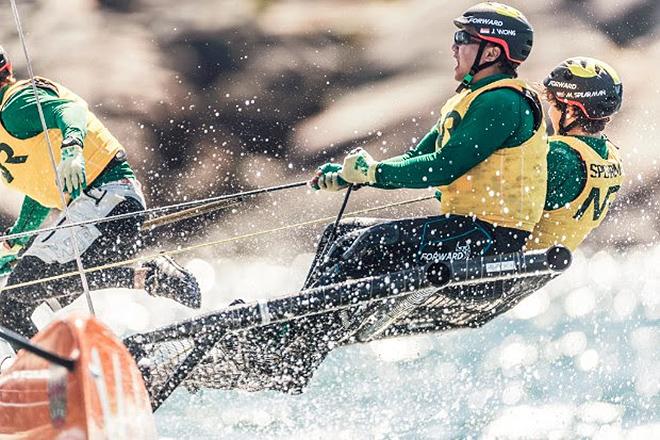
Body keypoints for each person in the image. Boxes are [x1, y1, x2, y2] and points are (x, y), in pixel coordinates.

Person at [306, 2, 548, 289]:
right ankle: (298, 313)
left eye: (463, 39)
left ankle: (300, 325)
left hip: (492, 241)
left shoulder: (502, 102)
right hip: (467, 230)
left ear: (492, 52)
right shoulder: (473, 99)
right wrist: (352, 176)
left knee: (372, 242)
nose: (454, 48)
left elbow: (443, 167)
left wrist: (372, 172)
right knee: (340, 232)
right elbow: (415, 158)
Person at [0, 46, 201, 340]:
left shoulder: (14, 105)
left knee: (19, 288)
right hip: (95, 212)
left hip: (108, 203)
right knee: (10, 307)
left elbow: (69, 111)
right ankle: (50, 378)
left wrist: (72, 148)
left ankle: (150, 275)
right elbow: (42, 189)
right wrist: (19, 238)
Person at [526, 57, 624, 251]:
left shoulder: (559, 154)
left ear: (570, 111)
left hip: (514, 260)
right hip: (546, 267)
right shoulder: (611, 156)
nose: (550, 114)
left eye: (554, 106)